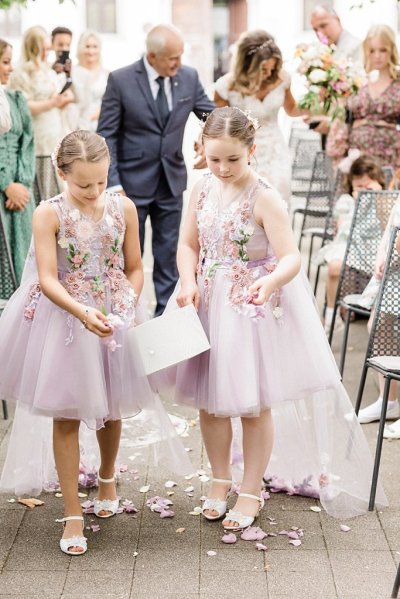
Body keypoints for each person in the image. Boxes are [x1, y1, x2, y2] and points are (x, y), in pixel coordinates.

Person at [165, 106, 387, 524]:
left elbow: (289, 259)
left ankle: (250, 487)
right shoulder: (200, 189)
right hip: (207, 300)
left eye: (233, 158)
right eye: (214, 159)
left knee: (251, 404)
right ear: (202, 152)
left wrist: (267, 284)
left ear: (251, 150)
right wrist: (188, 279)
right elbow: (187, 245)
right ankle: (218, 479)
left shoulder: (264, 196)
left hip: (249, 307)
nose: (223, 168)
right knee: (210, 403)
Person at [0, 130, 191, 555]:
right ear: (61, 173)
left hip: (113, 313)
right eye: (83, 184)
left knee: (112, 403)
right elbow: (47, 278)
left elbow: (136, 267)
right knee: (66, 413)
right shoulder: (49, 214)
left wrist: (125, 302)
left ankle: (107, 478)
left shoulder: (123, 207)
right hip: (66, 318)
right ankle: (71, 512)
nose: (93, 192)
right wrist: (82, 312)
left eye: (100, 182)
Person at [97, 23, 215, 316]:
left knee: (169, 256)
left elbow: (211, 115)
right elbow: (106, 135)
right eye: (172, 57)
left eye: (181, 56)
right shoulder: (121, 80)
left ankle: (167, 321)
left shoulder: (188, 77)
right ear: (152, 56)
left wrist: (207, 138)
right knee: (127, 258)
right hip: (129, 187)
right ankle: (125, 319)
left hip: (171, 183)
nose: (179, 62)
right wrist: (113, 184)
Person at [214, 30, 305, 204]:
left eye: (272, 68)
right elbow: (217, 127)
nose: (269, 73)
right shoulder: (226, 87)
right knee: (246, 202)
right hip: (242, 152)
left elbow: (292, 109)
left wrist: (319, 101)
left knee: (279, 196)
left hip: (275, 149)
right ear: (248, 64)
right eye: (264, 69)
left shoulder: (281, 79)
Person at [315, 153, 386, 333]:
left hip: (375, 247)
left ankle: (379, 318)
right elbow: (343, 231)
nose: (363, 190)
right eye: (358, 186)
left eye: (367, 186)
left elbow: (386, 227)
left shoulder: (385, 200)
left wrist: (377, 196)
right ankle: (331, 316)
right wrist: (358, 202)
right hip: (349, 244)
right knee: (334, 267)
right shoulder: (346, 201)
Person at [356, 196, 400, 431]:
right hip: (394, 270)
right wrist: (381, 254)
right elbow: (393, 225)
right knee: (377, 324)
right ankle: (388, 399)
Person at [0, 38, 35, 297]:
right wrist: (5, 185)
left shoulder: (14, 99)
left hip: (19, 197)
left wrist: (21, 183)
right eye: (5, 62)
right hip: (4, 189)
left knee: (23, 262)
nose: (10, 68)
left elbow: (27, 143)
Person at [9, 26, 73, 156]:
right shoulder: (21, 74)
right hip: (37, 138)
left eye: (48, 49)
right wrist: (53, 103)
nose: (46, 53)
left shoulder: (48, 70)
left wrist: (63, 99)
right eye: (42, 49)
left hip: (56, 132)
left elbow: (54, 97)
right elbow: (23, 106)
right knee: (44, 174)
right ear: (32, 49)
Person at [346, 24, 400, 170]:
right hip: (359, 156)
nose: (377, 56)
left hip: (392, 155)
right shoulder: (357, 79)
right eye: (372, 50)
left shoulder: (398, 82)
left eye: (383, 50)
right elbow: (344, 116)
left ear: (391, 50)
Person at [73, 30, 108, 131]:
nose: (91, 51)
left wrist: (93, 116)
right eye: (87, 46)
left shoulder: (107, 75)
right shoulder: (72, 73)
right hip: (75, 127)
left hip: (100, 126)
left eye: (94, 47)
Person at [50, 26, 80, 134]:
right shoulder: (46, 69)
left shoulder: (75, 71)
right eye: (60, 44)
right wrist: (53, 72)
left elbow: (79, 100)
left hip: (69, 126)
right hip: (51, 124)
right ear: (52, 45)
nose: (64, 48)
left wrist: (69, 76)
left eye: (68, 45)